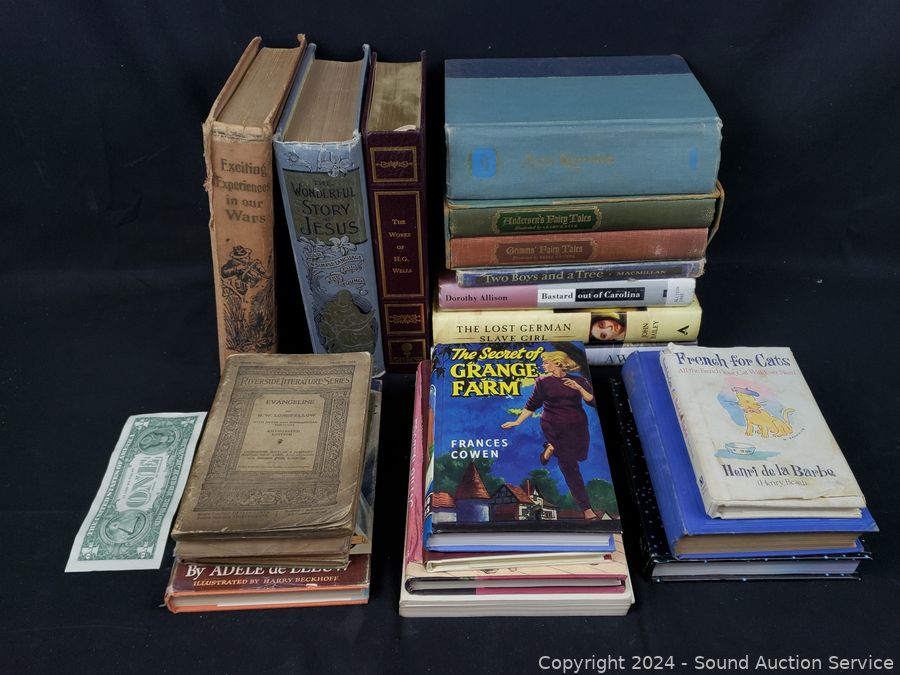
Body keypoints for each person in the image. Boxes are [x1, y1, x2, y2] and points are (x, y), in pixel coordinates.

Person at [500, 351, 599, 521]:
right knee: (569, 465)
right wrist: (517, 422)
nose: (543, 365)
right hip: (554, 425)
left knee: (580, 456)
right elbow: (532, 405)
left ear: (557, 362)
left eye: (546, 362)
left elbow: (592, 401)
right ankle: (587, 509)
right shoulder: (543, 382)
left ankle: (549, 449)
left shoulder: (579, 381)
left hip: (578, 427)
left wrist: (579, 388)